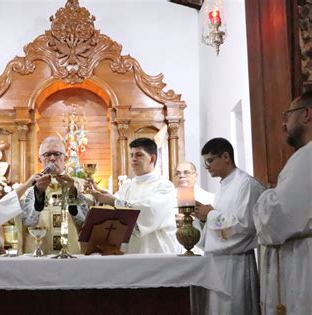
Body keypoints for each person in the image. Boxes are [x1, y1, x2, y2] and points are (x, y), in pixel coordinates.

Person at [253, 91, 312, 315]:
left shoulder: (307, 157)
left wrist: (265, 196)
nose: (284, 122)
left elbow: (276, 221)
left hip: (304, 267)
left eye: (288, 114)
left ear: (306, 114)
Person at [193, 137, 264, 315]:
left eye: (209, 160)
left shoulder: (245, 184)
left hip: (237, 263)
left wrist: (209, 215)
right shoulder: (224, 187)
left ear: (225, 156)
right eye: (204, 163)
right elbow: (220, 222)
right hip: (219, 263)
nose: (207, 167)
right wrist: (203, 219)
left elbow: (245, 226)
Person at [87, 137, 178, 254]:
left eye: (139, 155)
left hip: (155, 251)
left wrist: (114, 201)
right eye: (131, 155)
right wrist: (101, 197)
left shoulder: (165, 186)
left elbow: (150, 210)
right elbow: (114, 213)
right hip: (129, 251)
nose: (133, 159)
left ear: (152, 158)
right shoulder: (127, 186)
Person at [20, 136, 93, 255]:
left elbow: (84, 222)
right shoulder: (29, 188)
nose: (52, 158)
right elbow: (28, 222)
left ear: (66, 158)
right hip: (41, 257)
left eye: (57, 154)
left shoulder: (81, 186)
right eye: (47, 154)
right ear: (40, 160)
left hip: (73, 255)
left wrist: (71, 192)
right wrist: (39, 193)